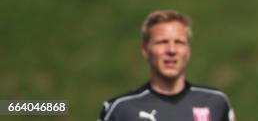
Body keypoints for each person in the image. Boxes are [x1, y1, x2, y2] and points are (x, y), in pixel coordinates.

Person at [98, 10, 235, 121]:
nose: (171, 50)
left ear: (188, 50)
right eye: (162, 42)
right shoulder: (122, 109)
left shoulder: (216, 102)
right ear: (145, 50)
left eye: (179, 42)